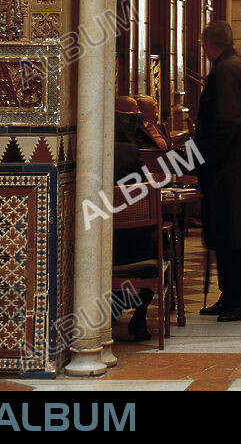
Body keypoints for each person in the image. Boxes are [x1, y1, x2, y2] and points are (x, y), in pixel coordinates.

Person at [195, 21, 241, 321]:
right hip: (237, 168)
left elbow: (225, 123)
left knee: (233, 236)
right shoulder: (238, 66)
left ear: (209, 44)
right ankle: (231, 296)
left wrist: (205, 161)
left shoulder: (224, 71)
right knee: (230, 236)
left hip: (228, 170)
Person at [112, 97, 155, 342]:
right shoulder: (129, 151)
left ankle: (116, 303)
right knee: (163, 244)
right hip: (138, 245)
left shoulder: (92, 148)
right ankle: (139, 315)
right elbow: (147, 187)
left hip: (103, 240)